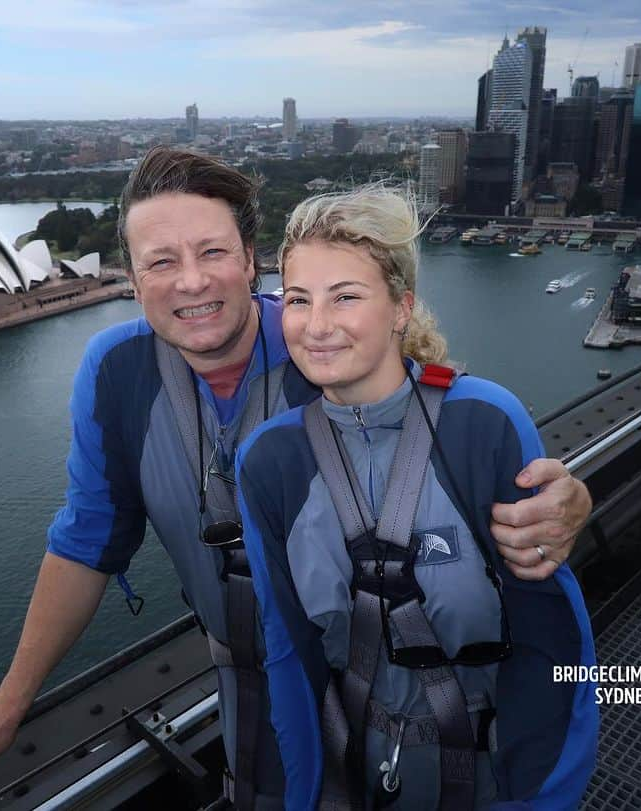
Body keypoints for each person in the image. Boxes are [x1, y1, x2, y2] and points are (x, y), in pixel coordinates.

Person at [0, 148, 592, 807]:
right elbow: (86, 538)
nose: (191, 282)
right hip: (246, 676)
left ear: (250, 260)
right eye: (161, 261)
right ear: (131, 276)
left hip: (357, 683)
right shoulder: (115, 373)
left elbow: (433, 413)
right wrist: (12, 700)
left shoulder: (319, 348)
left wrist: (567, 495)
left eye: (212, 252)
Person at [236, 187, 598, 809]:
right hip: (357, 775)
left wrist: (541, 797)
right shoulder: (271, 461)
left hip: (490, 775)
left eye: (346, 296)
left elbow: (555, 636)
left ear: (400, 308)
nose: (316, 324)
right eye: (298, 299)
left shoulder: (481, 423)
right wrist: (307, 797)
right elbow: (288, 652)